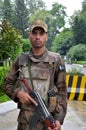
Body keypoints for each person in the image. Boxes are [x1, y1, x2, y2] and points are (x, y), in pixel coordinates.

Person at [3, 20, 67, 130]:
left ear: (46, 36)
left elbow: (62, 92)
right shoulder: (21, 60)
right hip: (25, 123)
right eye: (34, 33)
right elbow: (6, 84)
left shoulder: (56, 60)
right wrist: (18, 93)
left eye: (41, 33)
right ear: (29, 35)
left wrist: (58, 119)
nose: (38, 37)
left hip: (48, 122)